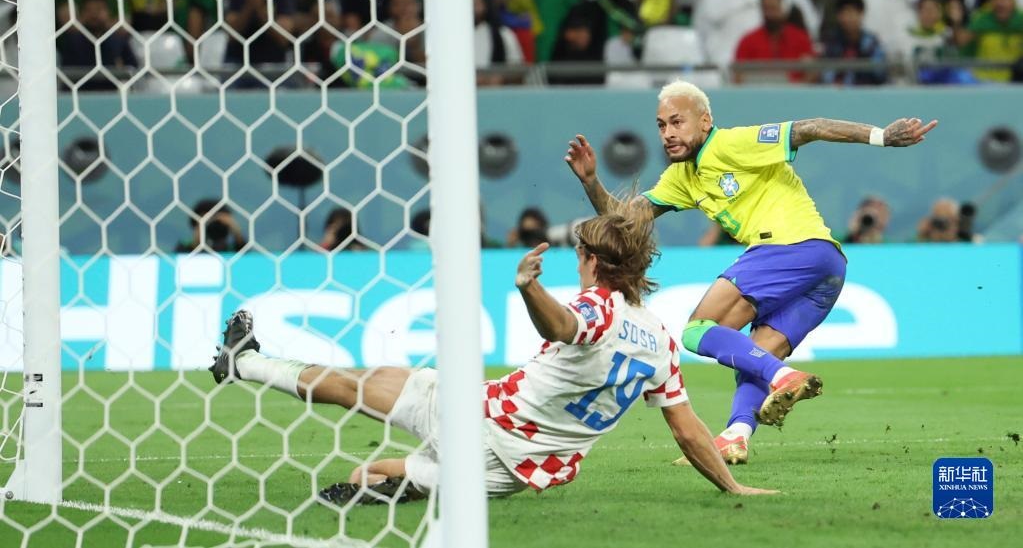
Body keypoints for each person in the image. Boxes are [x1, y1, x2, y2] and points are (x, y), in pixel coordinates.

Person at [209, 204, 777, 502]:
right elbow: (687, 430)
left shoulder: (596, 308)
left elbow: (564, 325)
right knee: (369, 475)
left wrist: (529, 288)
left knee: (353, 385)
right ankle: (390, 488)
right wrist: (733, 487)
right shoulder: (660, 342)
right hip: (512, 475)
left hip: (477, 420)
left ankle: (244, 362)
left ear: (591, 261)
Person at [564, 80, 937, 464]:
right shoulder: (682, 177)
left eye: (677, 122)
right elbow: (624, 221)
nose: (668, 133)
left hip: (790, 247)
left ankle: (783, 377)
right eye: (661, 125)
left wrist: (881, 136)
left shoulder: (731, 144)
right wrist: (591, 182)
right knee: (754, 354)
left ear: (704, 121)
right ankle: (737, 435)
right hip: (827, 267)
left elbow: (811, 127)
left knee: (697, 331)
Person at [734, 0, 815, 83]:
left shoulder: (800, 38)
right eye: (766, 9)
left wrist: (798, 87)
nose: (769, 14)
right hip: (757, 90)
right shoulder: (748, 41)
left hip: (795, 90)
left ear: (783, 9)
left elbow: (812, 72)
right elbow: (738, 76)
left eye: (774, 8)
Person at [821, 0, 888, 85]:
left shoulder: (871, 42)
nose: (848, 18)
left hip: (867, 90)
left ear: (861, 14)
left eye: (852, 13)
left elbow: (880, 73)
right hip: (838, 91)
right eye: (844, 13)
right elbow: (826, 74)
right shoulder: (831, 42)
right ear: (838, 16)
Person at [176, 198, 247, 253]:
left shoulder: (232, 250)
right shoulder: (184, 247)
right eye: (206, 221)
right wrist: (197, 242)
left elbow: (247, 258)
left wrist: (238, 235)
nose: (213, 226)